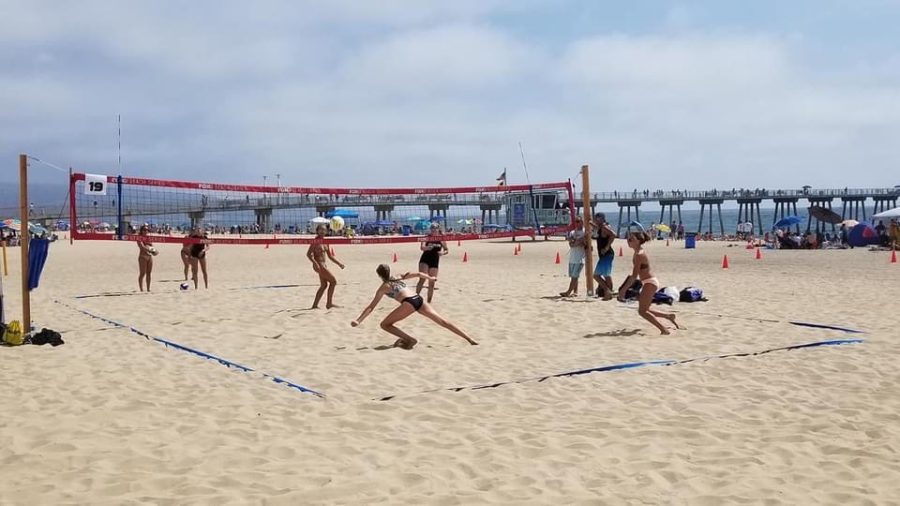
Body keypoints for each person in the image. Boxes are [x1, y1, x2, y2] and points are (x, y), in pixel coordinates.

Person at [351, 264, 477, 349]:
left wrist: (358, 320)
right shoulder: (397, 277)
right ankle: (469, 338)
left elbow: (371, 306)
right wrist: (430, 278)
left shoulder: (384, 287)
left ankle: (409, 339)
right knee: (442, 321)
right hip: (418, 299)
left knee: (385, 325)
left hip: (409, 302)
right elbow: (417, 274)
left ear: (379, 275)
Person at [618, 229, 679, 335]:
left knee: (642, 311)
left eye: (631, 239)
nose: (628, 241)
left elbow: (634, 275)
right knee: (645, 308)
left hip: (650, 282)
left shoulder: (639, 255)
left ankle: (664, 330)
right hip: (648, 282)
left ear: (638, 241)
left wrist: (623, 290)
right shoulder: (638, 252)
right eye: (628, 239)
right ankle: (668, 316)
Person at [306, 224, 345, 309]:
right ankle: (329, 304)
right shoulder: (315, 241)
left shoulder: (326, 242)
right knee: (333, 281)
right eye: (320, 230)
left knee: (324, 285)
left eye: (324, 230)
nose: (322, 231)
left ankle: (315, 305)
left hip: (324, 265)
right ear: (317, 231)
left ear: (326, 231)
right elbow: (308, 254)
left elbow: (330, 256)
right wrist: (314, 263)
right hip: (319, 265)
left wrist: (339, 264)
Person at [416, 223, 448, 303]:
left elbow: (446, 250)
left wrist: (442, 253)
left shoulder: (441, 239)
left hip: (435, 260)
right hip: (425, 259)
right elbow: (422, 248)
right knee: (422, 279)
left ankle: (429, 302)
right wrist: (427, 248)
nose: (433, 229)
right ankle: (415, 299)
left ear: (438, 229)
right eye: (432, 228)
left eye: (435, 228)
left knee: (432, 282)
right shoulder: (426, 237)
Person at [560, 216, 586, 297]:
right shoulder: (572, 232)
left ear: (582, 222)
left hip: (580, 258)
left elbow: (584, 243)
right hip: (572, 257)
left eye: (579, 221)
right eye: (576, 221)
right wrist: (577, 241)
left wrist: (576, 241)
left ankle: (568, 292)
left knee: (575, 276)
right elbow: (571, 244)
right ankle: (575, 291)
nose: (577, 223)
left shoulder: (585, 232)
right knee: (573, 276)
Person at [592, 213, 616, 300]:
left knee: (596, 275)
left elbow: (613, 235)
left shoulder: (604, 227)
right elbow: (596, 227)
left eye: (596, 219)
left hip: (607, 254)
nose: (595, 220)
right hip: (604, 255)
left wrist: (606, 247)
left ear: (601, 219)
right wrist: (589, 222)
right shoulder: (600, 227)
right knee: (606, 275)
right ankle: (609, 292)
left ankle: (608, 291)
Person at [137, 225, 155, 291]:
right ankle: (141, 289)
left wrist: (154, 251)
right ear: (141, 231)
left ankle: (148, 289)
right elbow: (142, 247)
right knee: (142, 273)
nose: (146, 231)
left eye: (147, 230)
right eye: (144, 230)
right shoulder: (139, 238)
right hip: (142, 256)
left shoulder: (148, 238)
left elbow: (152, 246)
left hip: (149, 256)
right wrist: (150, 249)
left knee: (149, 273)